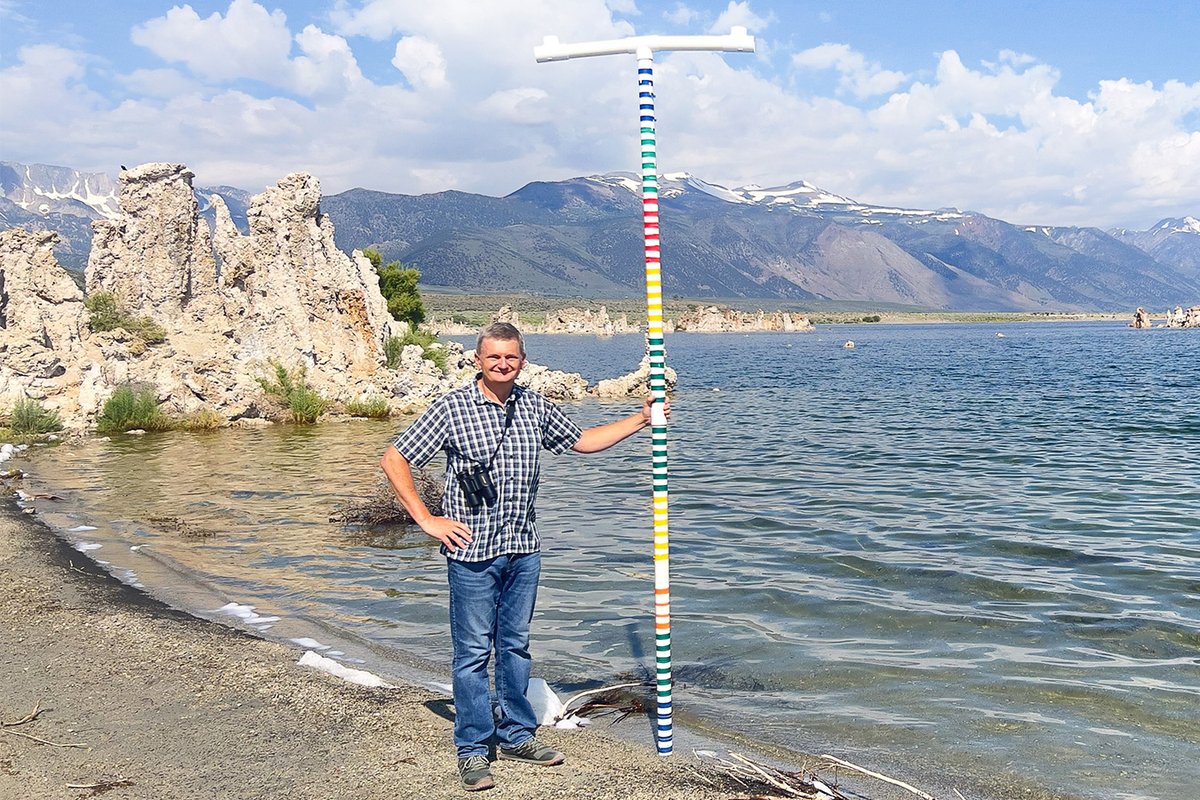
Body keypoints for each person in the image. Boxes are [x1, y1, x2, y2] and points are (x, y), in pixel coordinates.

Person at [380, 321, 667, 792]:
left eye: (511, 357)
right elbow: (395, 458)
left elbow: (584, 441)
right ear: (478, 359)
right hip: (471, 552)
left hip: (524, 550)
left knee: (514, 647)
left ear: (522, 359)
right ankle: (473, 749)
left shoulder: (533, 405)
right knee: (472, 654)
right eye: (493, 357)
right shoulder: (452, 408)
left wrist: (640, 419)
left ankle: (517, 735)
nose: (502, 364)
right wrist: (427, 519)